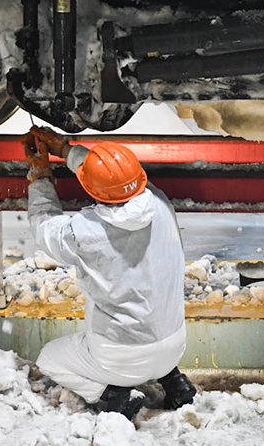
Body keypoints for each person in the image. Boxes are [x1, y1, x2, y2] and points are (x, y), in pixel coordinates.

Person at [22, 126, 197, 420]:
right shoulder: (160, 203)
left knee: (50, 359)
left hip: (121, 358)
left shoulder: (85, 232)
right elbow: (117, 178)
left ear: (90, 189)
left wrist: (40, 176)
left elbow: (44, 225)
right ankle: (174, 382)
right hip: (174, 345)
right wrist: (66, 149)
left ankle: (115, 395)